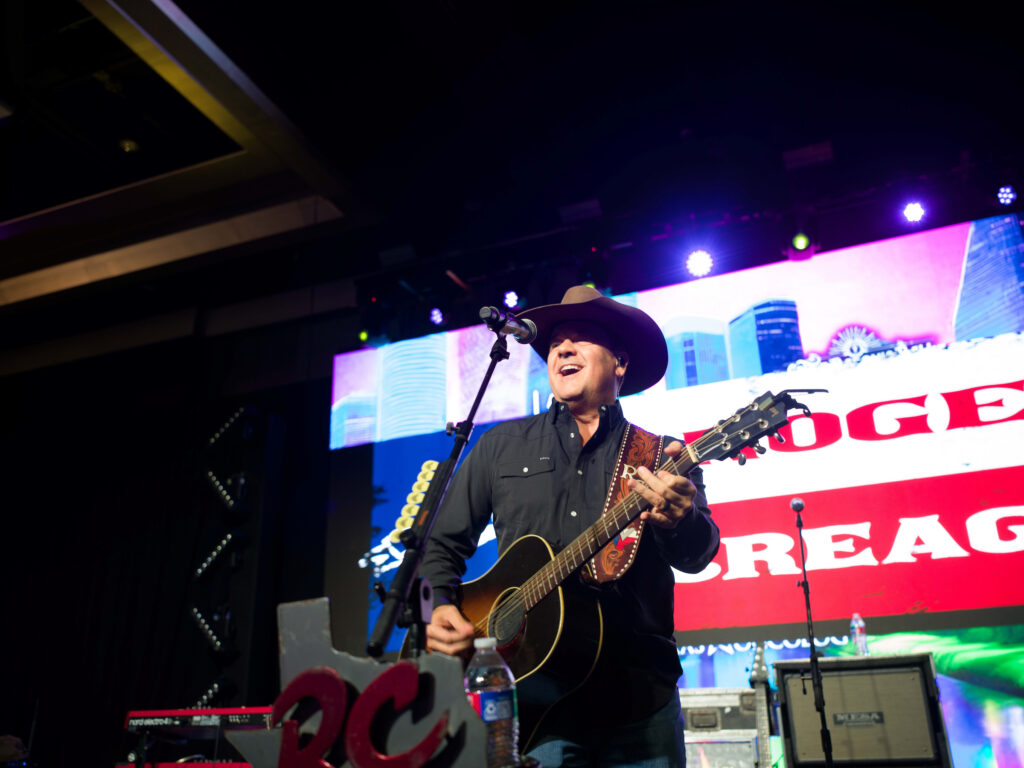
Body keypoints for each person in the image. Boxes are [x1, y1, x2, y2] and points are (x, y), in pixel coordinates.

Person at [420, 285, 720, 768]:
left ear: (619, 362)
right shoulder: (501, 447)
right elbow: (441, 543)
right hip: (534, 707)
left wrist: (680, 519)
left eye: (581, 337)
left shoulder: (663, 456)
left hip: (638, 704)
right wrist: (439, 607)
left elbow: (697, 554)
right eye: (556, 341)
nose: (562, 347)